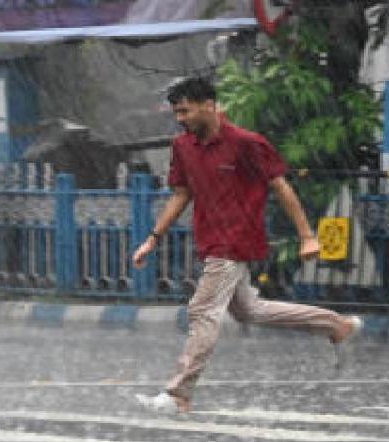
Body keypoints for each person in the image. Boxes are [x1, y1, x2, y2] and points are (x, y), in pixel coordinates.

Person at [133, 77, 361, 414]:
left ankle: (179, 394)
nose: (180, 119)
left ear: (209, 105)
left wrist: (307, 236)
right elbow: (182, 194)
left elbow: (281, 187)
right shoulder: (182, 146)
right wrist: (153, 238)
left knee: (203, 310)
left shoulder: (246, 143)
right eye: (176, 113)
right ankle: (336, 325)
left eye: (185, 111)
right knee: (249, 310)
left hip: (236, 239)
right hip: (210, 238)